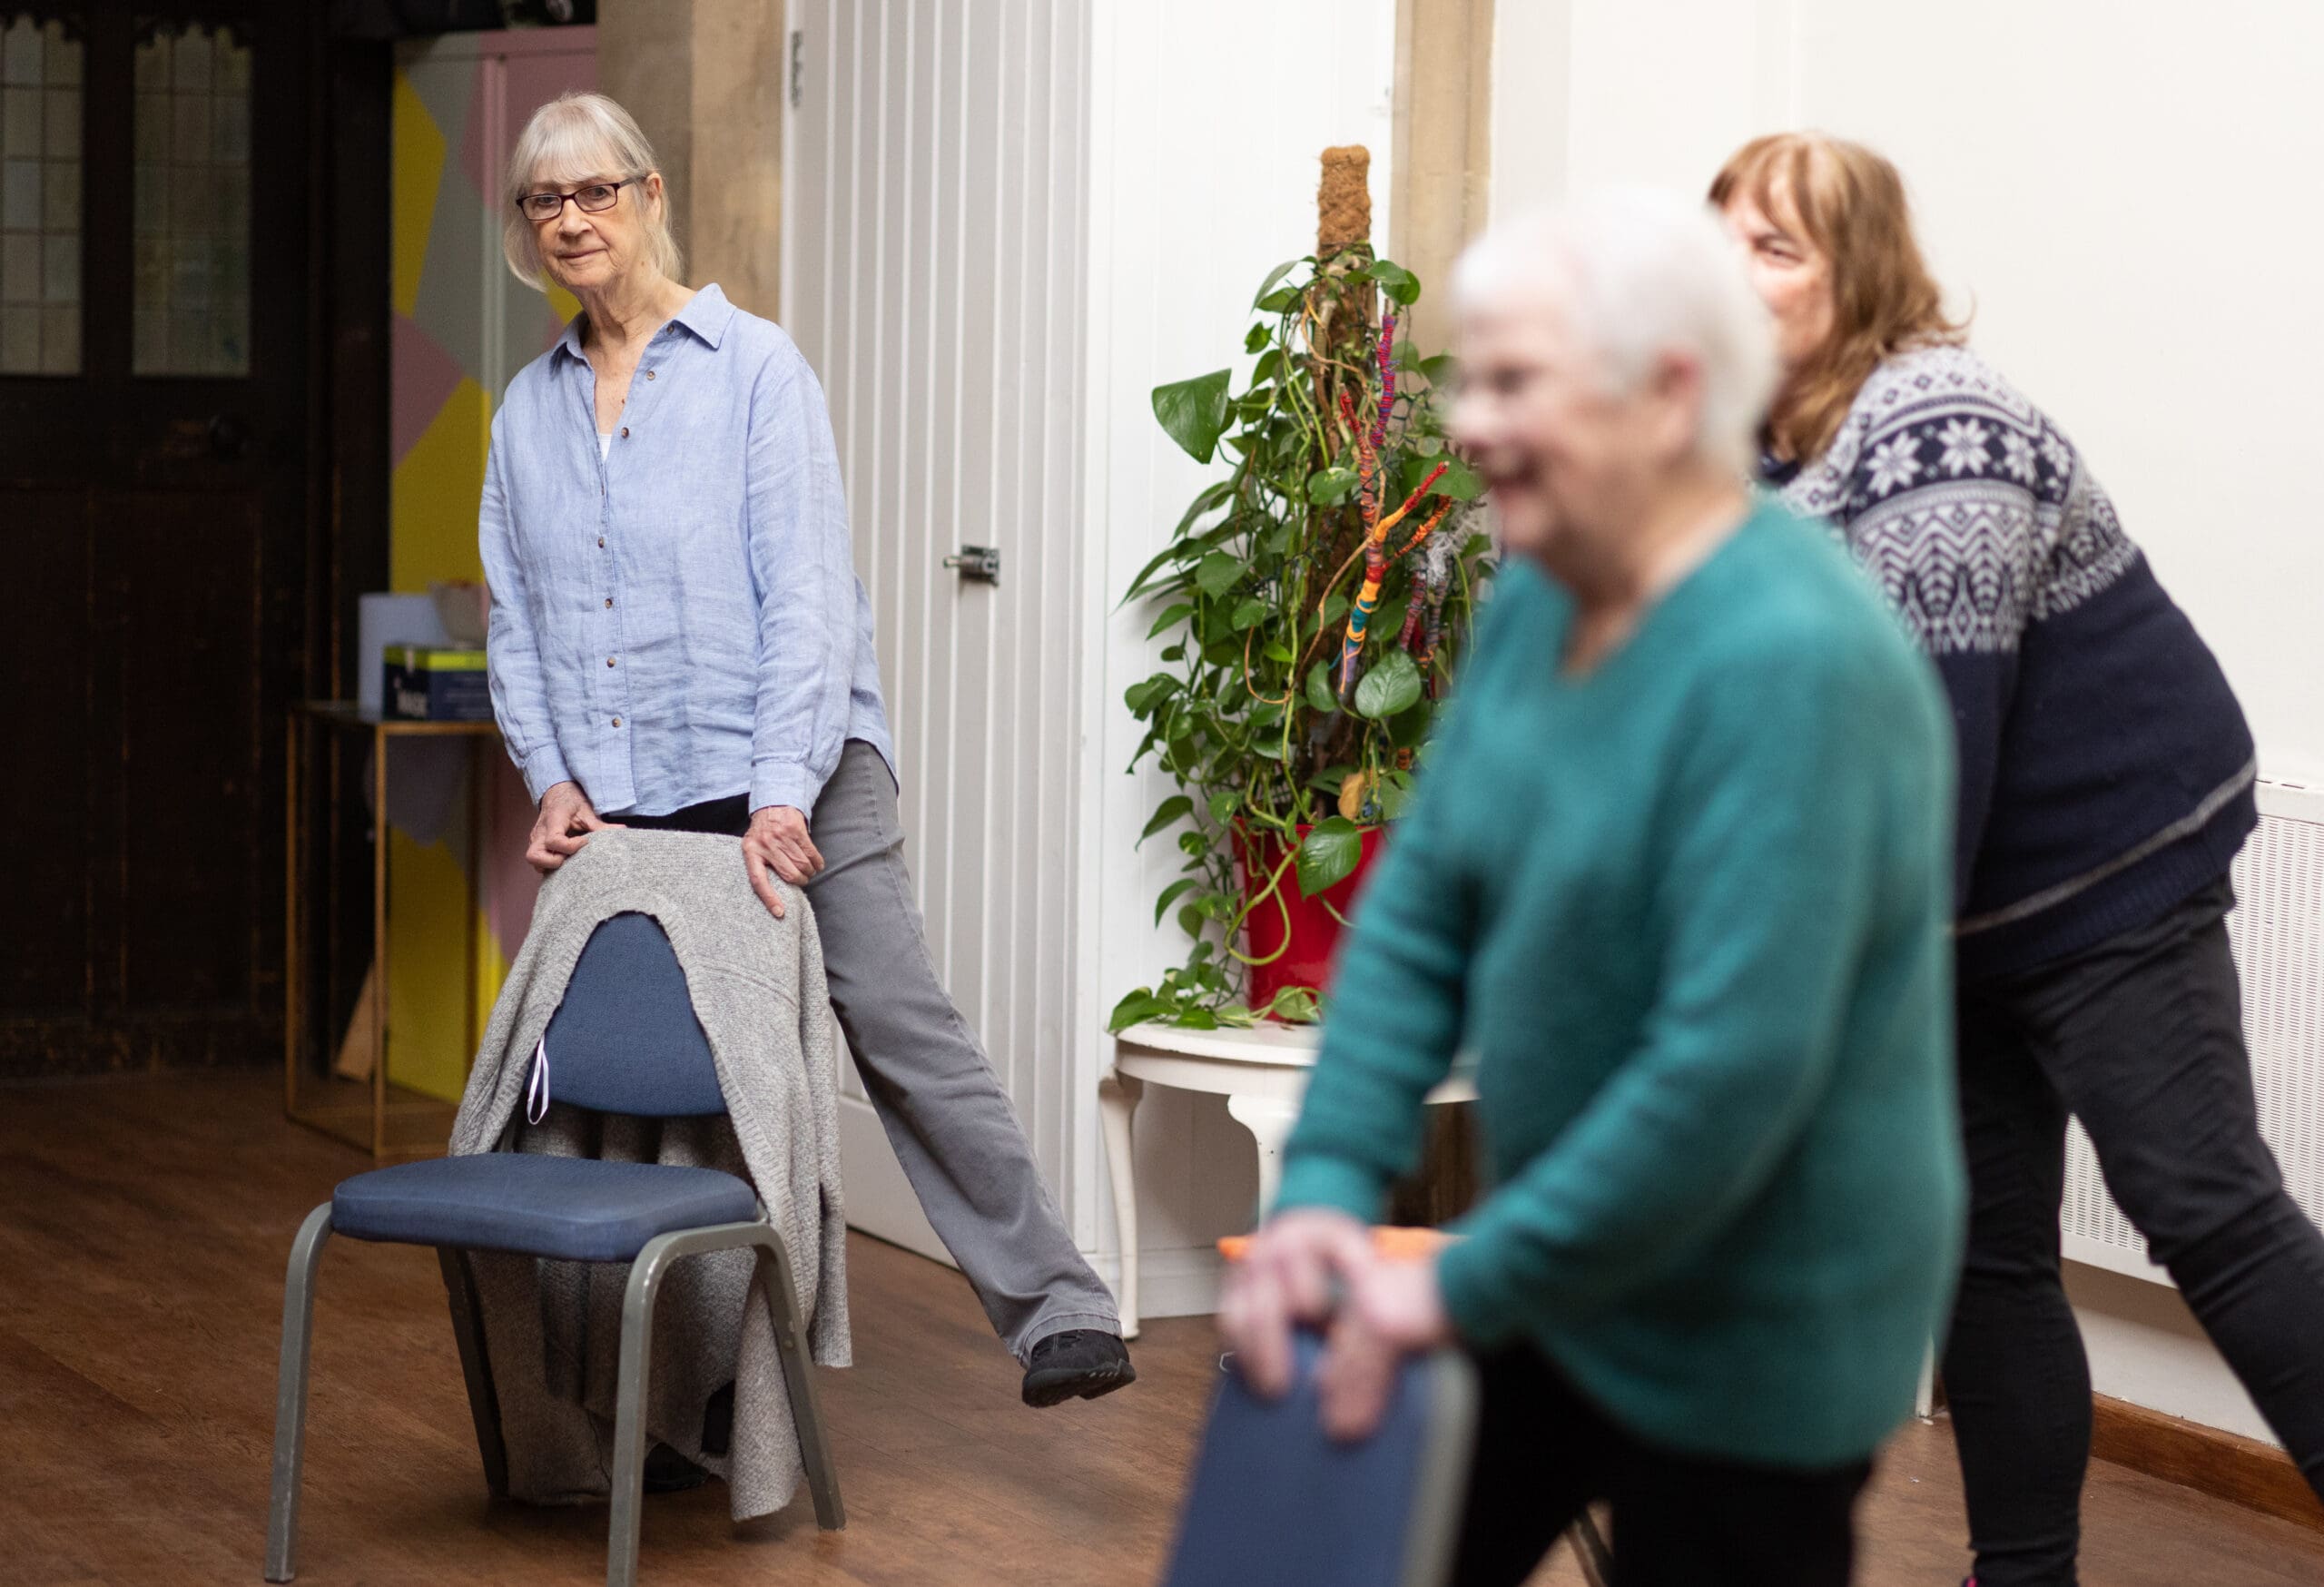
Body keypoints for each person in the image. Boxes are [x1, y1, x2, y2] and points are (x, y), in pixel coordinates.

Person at [1216, 190, 1965, 1587]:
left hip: (1761, 1321)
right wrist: (1322, 1183)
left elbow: (1727, 1074)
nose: (1466, 422)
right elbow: (1425, 912)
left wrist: (1457, 1283)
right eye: (1469, 376)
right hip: (1566, 1266)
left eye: (1514, 382)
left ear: (1668, 393)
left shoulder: (1798, 661)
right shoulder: (1541, 600)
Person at [1713, 131, 2324, 1586]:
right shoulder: (1743, 462)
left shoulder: (1942, 425)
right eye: (1719, 237)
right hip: (1961, 904)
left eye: (1776, 247)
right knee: (1984, 1251)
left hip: (2108, 868)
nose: (1731, 274)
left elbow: (1937, 746)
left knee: (2203, 1210)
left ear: (1856, 277)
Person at [478, 91, 1132, 1411]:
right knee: (690, 1083)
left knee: (896, 1023)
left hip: (802, 769)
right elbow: (516, 620)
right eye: (545, 201)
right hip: (639, 808)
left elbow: (809, 602)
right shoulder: (524, 416)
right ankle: (690, 1393)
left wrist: (780, 791)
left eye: (596, 191)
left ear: (652, 196)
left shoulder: (756, 370)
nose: (571, 220)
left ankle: (1060, 1306)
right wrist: (548, 775)